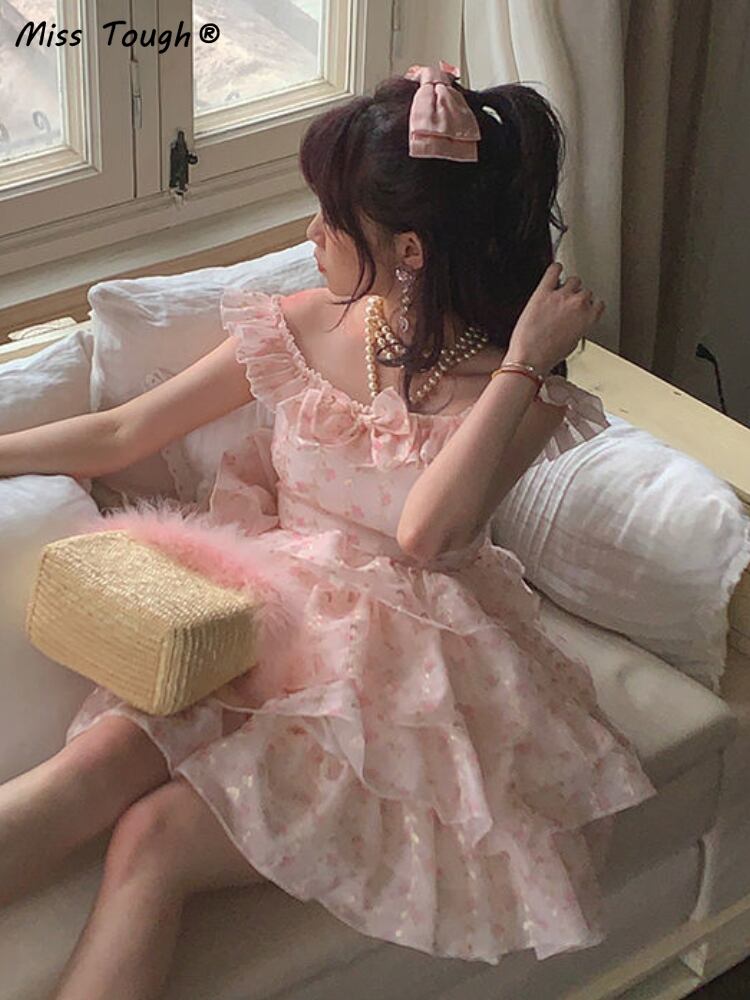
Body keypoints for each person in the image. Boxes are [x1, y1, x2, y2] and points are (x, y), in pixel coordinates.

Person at [0, 60, 657, 998]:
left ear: (410, 250)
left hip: (400, 677)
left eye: (330, 219)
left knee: (155, 840)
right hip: (259, 615)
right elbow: (120, 435)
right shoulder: (303, 325)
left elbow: (427, 536)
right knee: (95, 765)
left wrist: (520, 364)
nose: (310, 236)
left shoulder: (520, 395)